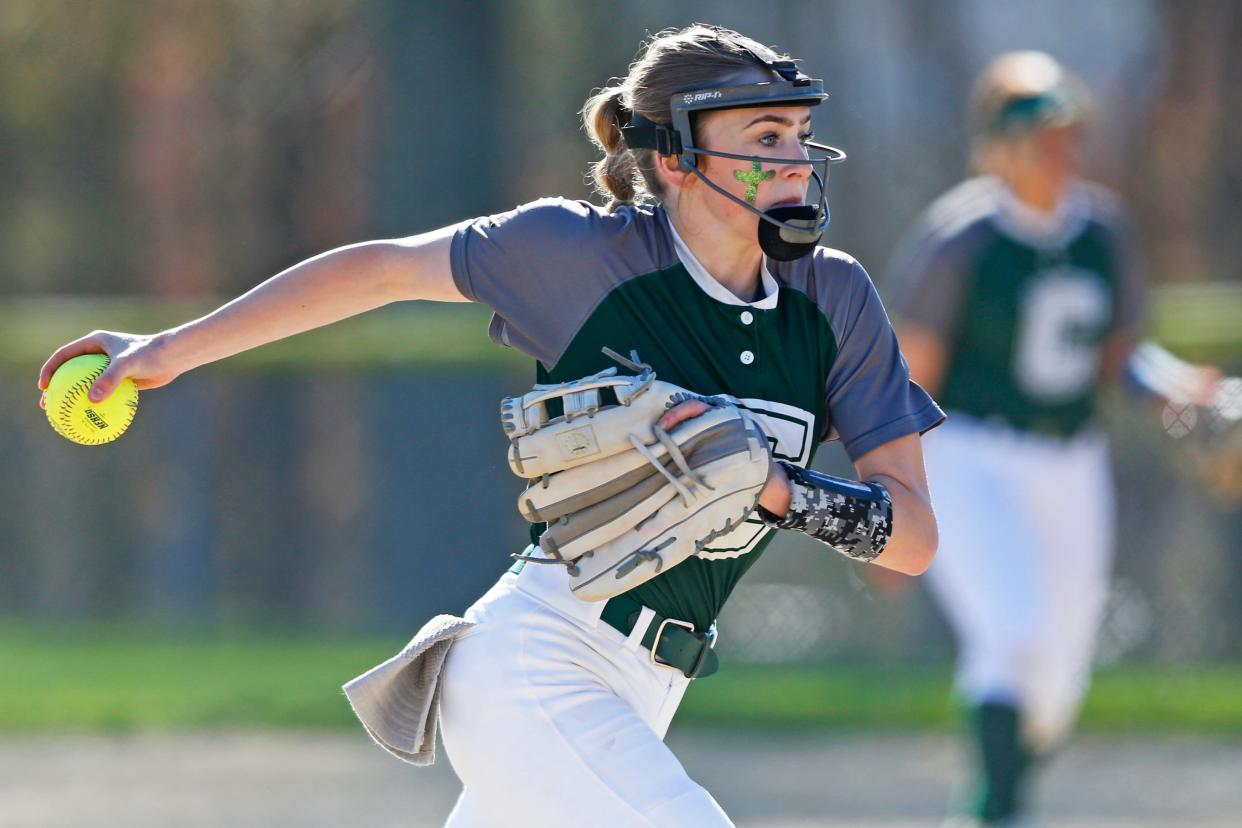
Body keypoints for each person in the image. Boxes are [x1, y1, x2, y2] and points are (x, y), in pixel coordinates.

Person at [39, 25, 943, 827]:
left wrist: (781, 490)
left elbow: (912, 540)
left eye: (796, 134)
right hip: (537, 664)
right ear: (673, 158)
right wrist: (169, 349)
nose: (794, 158)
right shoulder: (577, 255)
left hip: (648, 689)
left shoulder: (835, 297)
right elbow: (382, 271)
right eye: (763, 136)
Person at [887, 51, 1218, 827]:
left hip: (1070, 459)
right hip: (969, 452)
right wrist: (889, 494)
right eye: (1043, 135)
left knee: (1058, 685)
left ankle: (991, 798)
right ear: (999, 142)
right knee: (1010, 636)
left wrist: (1170, 384)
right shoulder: (962, 237)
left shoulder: (1102, 229)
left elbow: (1116, 354)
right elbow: (908, 376)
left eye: (1070, 134)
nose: (1062, 152)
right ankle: (997, 815)